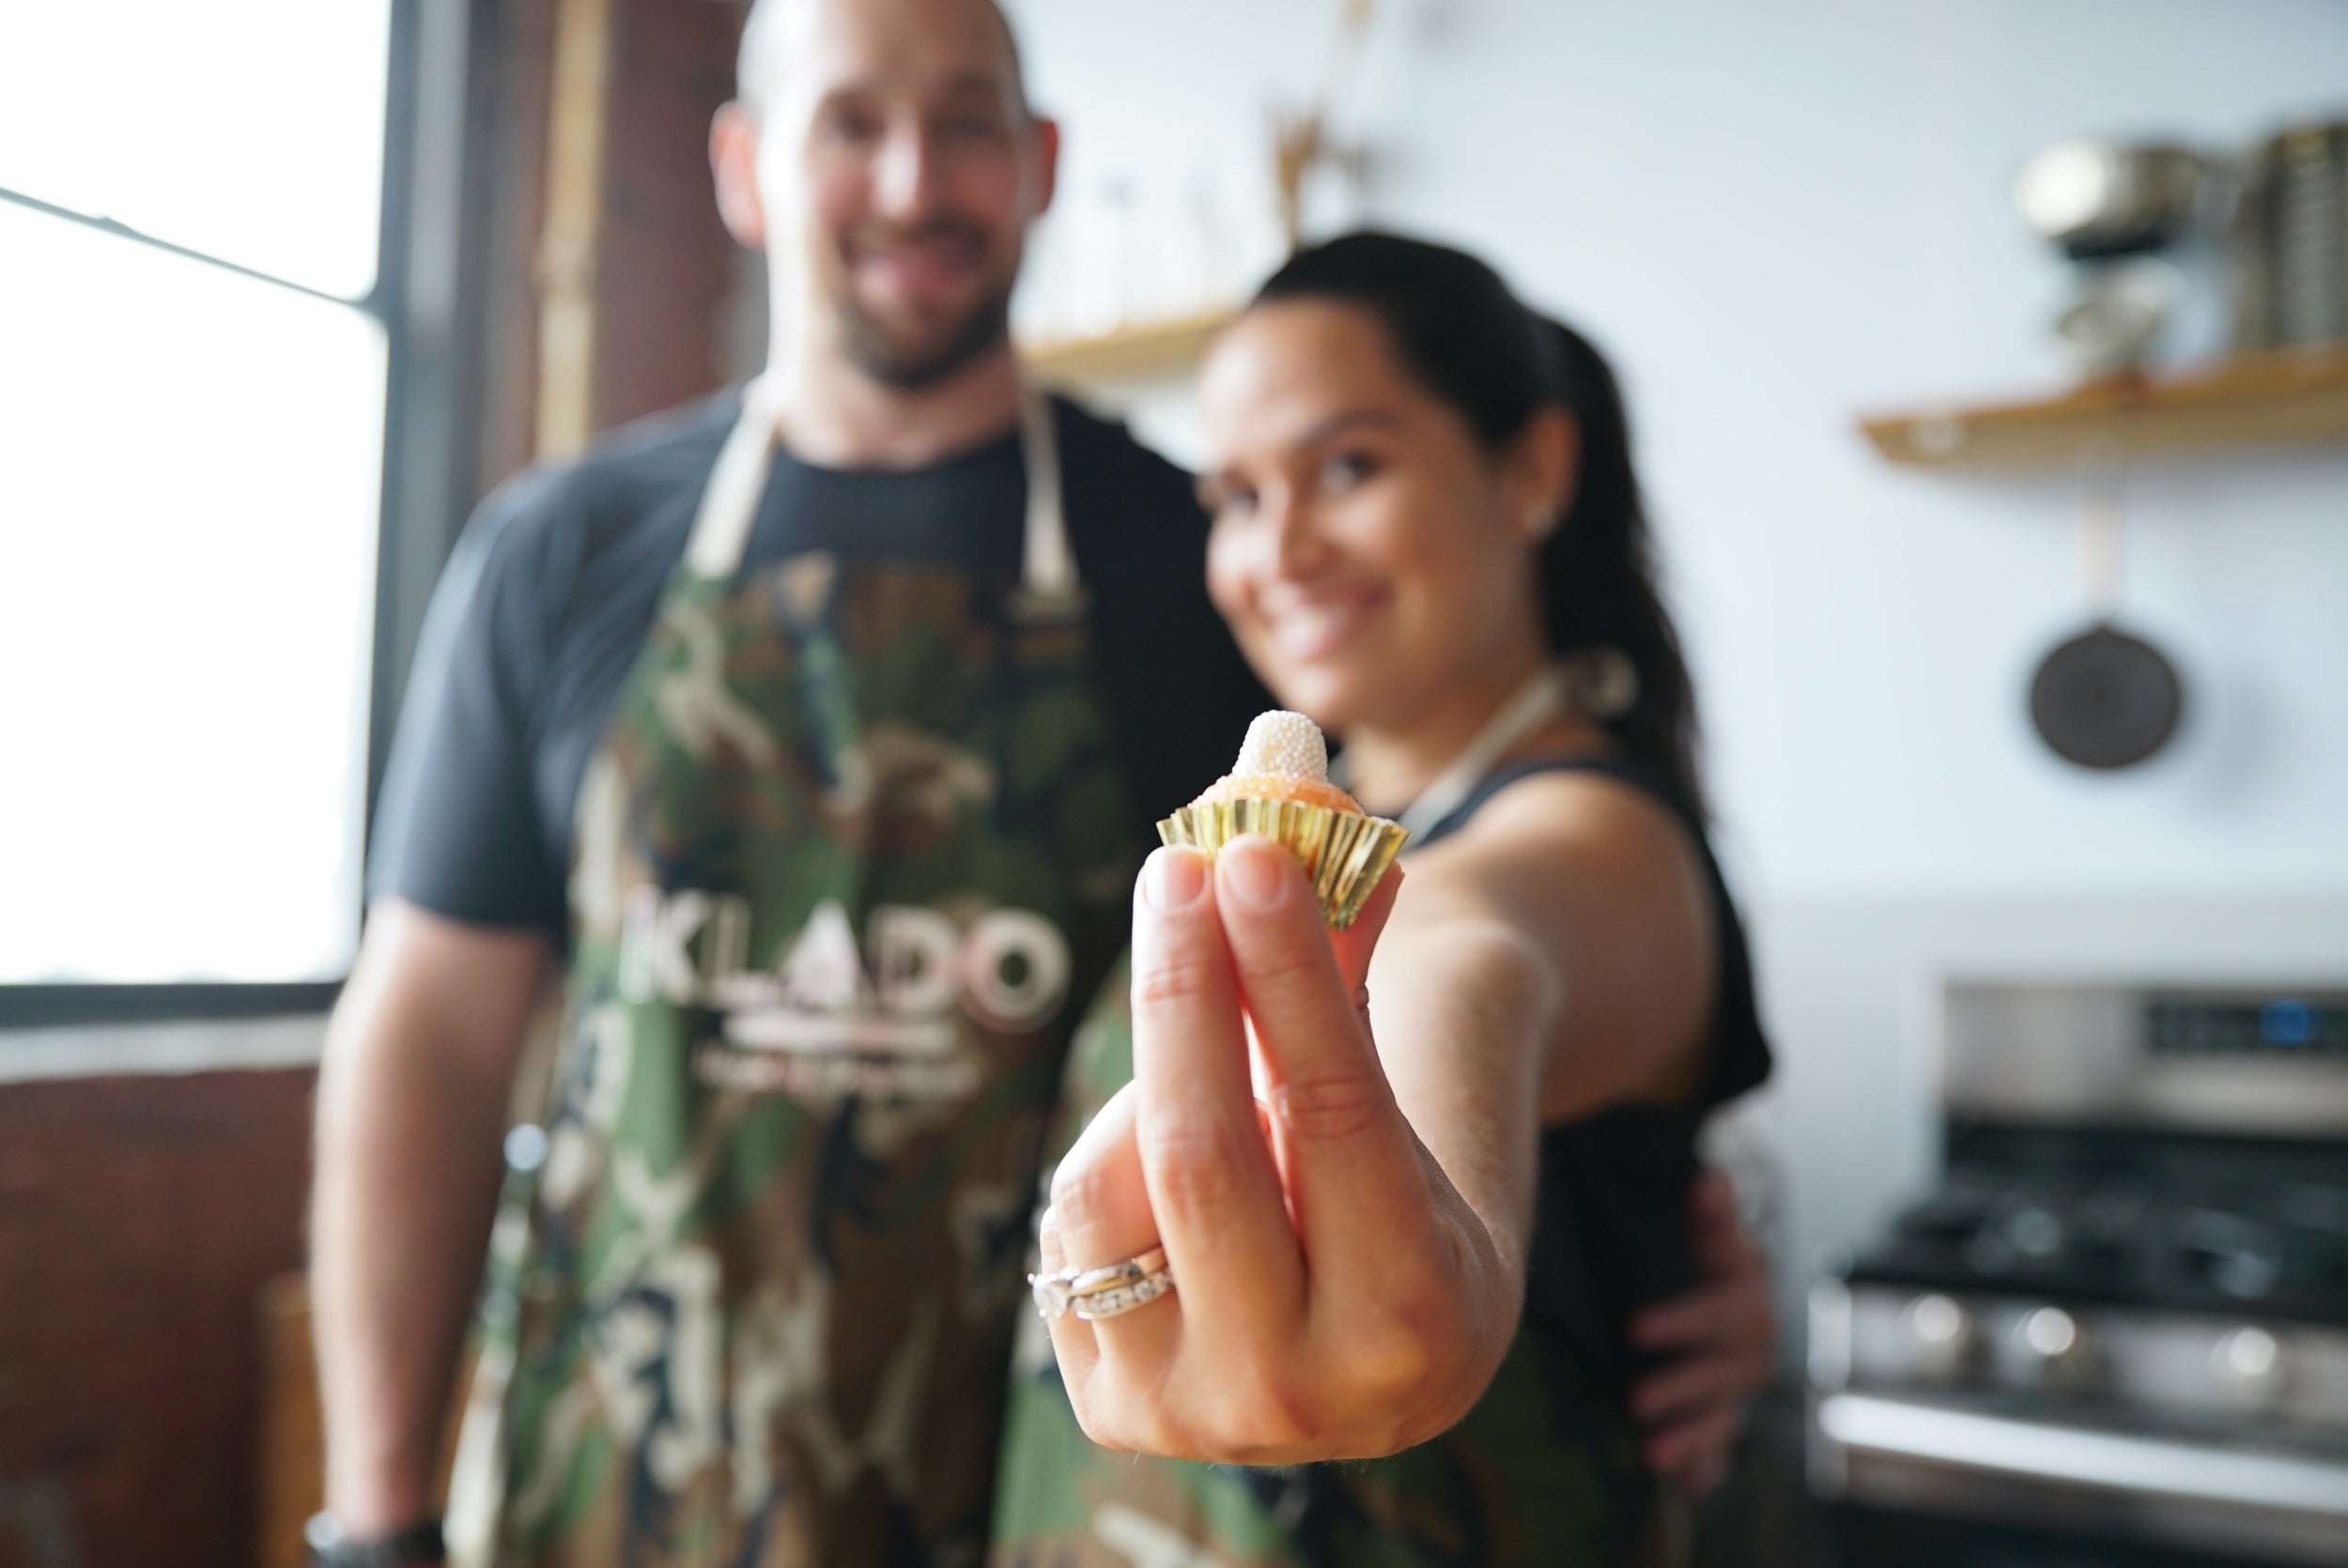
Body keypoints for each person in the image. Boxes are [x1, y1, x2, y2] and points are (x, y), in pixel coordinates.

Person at [304, 0, 1769, 1557]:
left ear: (1044, 162)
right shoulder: (559, 552)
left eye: (968, 122)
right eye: (850, 121)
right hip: (629, 1478)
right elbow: (430, 1039)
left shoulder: (1184, 578)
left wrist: (1520, 1224)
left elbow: (1433, 941)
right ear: (742, 168)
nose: (914, 178)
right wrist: (378, 1508)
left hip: (1018, 1470)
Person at [991, 231, 1773, 1567]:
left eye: (1347, 466)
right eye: (1236, 494)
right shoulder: (1298, 800)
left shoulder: (1593, 836)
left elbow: (1462, 953)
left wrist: (1450, 1275)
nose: (1280, 546)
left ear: (1530, 468)